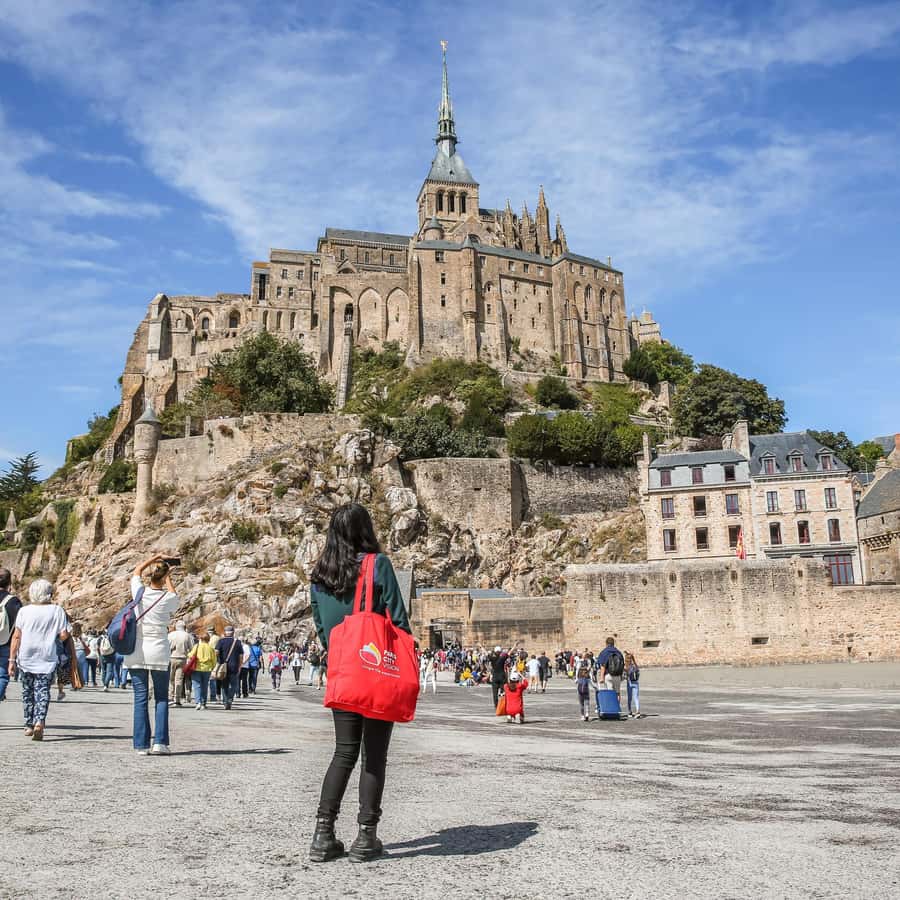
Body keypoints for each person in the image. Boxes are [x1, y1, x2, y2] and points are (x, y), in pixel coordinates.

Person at [308, 502, 412, 864]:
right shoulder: (377, 565)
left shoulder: (318, 577)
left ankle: (323, 834)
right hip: (376, 672)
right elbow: (399, 619)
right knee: (374, 755)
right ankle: (366, 836)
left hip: (344, 672)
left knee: (343, 752)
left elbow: (323, 631)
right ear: (365, 530)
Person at [126, 555, 181, 755]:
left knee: (140, 698)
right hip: (158, 650)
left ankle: (141, 745)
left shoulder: (139, 593)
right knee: (161, 698)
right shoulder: (167, 598)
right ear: (164, 576)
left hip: (137, 651)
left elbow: (136, 572)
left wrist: (155, 558)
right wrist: (168, 577)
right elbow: (175, 597)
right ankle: (160, 743)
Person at [7, 579, 69, 740]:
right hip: (47, 656)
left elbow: (16, 636)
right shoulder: (57, 611)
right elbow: (64, 635)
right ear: (49, 593)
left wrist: (11, 660)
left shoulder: (24, 611)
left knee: (27, 691)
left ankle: (28, 725)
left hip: (26, 656)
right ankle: (39, 721)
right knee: (43, 690)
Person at [0, 567, 23, 703]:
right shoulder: (14, 601)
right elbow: (19, 627)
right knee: (2, 676)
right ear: (9, 583)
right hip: (6, 643)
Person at [216, 626, 243, 710]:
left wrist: (218, 661)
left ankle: (225, 702)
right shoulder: (237, 642)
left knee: (224, 685)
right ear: (233, 632)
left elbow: (216, 652)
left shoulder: (221, 641)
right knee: (234, 685)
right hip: (234, 666)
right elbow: (241, 656)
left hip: (223, 666)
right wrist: (240, 666)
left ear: (225, 632)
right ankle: (230, 699)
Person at [168, 619, 194, 706]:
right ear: (184, 627)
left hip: (171, 657)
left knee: (170, 679)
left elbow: (167, 647)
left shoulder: (171, 635)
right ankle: (177, 699)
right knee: (179, 679)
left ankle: (170, 697)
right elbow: (192, 649)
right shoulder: (187, 636)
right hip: (182, 658)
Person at [188, 631, 216, 710]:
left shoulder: (197, 646)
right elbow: (214, 660)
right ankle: (204, 703)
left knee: (197, 686)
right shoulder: (210, 648)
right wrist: (212, 668)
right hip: (207, 669)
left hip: (197, 668)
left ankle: (198, 702)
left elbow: (190, 655)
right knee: (205, 686)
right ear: (208, 639)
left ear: (200, 638)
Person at [597, 636, 625, 703]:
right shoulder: (618, 652)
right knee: (617, 693)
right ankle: (617, 708)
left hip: (608, 675)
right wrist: (621, 675)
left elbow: (602, 666)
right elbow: (622, 664)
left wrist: (601, 677)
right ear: (613, 643)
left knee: (610, 693)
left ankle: (611, 708)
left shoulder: (604, 652)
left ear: (606, 643)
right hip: (617, 675)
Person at [625, 651, 641, 718]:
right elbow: (638, 673)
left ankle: (629, 711)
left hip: (629, 683)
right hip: (636, 683)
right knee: (636, 698)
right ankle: (637, 711)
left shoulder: (626, 667)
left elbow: (625, 676)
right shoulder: (635, 666)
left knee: (629, 698)